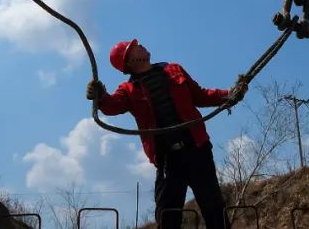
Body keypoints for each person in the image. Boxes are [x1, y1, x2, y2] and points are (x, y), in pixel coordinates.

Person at [86, 39, 246, 229]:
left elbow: (200, 95)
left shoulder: (174, 70)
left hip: (197, 149)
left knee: (214, 209)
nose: (141, 45)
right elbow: (112, 106)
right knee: (167, 215)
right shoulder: (128, 90)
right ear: (129, 61)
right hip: (168, 159)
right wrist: (100, 95)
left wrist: (228, 95)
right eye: (134, 47)